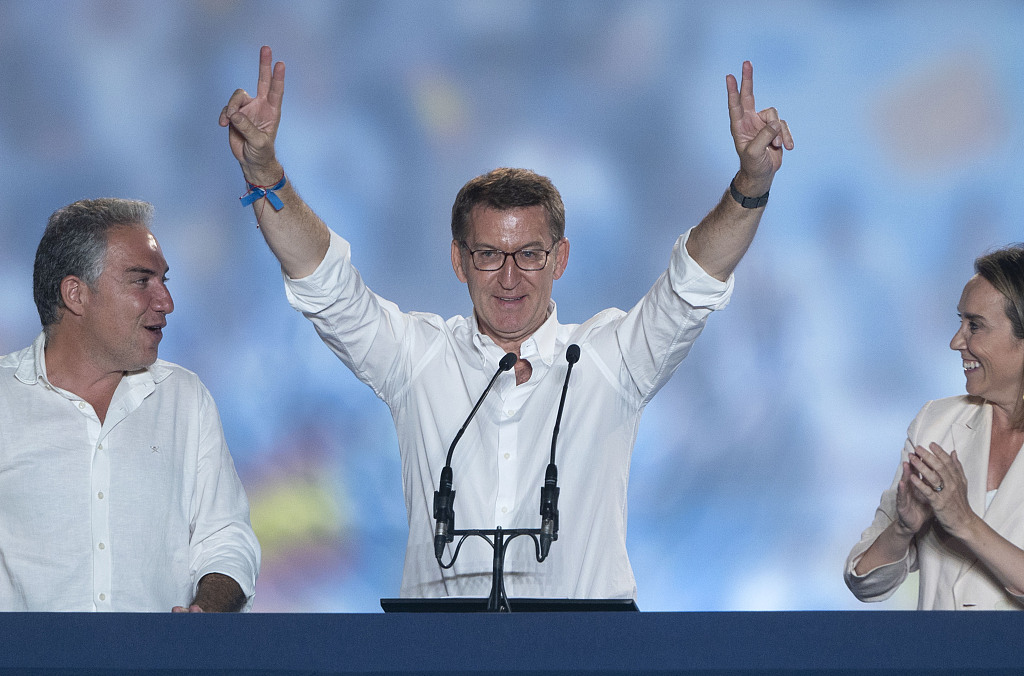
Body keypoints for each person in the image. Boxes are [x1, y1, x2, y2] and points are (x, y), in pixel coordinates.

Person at [220, 46, 793, 599]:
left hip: (581, 651)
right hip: (442, 650)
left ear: (560, 260)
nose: (510, 276)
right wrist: (266, 172)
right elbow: (325, 285)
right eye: (489, 254)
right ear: (459, 261)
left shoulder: (610, 359)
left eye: (530, 254)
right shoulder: (418, 358)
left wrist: (751, 185)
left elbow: (693, 281)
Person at [0, 198, 261, 612]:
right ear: (76, 294)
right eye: (141, 281)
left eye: (164, 281)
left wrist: (209, 612)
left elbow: (226, 538)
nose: (165, 302)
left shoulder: (185, 399)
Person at [846, 245, 1024, 610]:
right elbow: (863, 581)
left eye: (974, 326)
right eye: (960, 323)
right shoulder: (936, 423)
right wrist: (903, 528)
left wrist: (965, 523)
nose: (956, 341)